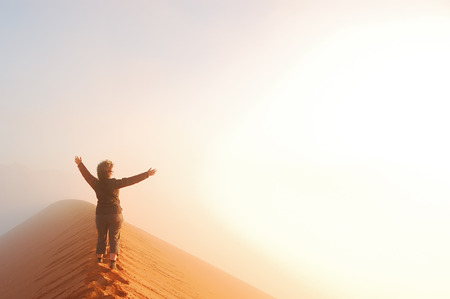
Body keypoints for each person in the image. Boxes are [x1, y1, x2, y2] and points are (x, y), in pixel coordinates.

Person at [74, 156, 156, 269]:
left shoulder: (96, 183)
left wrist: (80, 164)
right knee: (114, 237)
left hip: (101, 215)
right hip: (115, 213)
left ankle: (99, 259)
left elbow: (87, 176)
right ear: (108, 172)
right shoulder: (114, 183)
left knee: (101, 237)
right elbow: (130, 180)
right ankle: (113, 262)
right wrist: (147, 174)